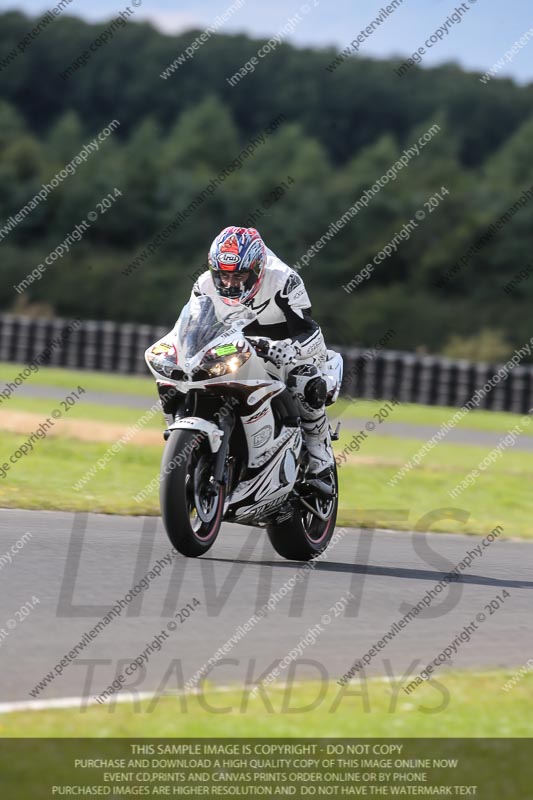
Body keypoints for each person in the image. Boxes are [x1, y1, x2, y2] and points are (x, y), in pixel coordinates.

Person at [188, 226, 335, 478]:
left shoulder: (283, 280)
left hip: (283, 350)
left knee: (304, 379)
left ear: (256, 269)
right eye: (223, 275)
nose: (230, 283)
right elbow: (192, 332)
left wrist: (289, 348)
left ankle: (317, 443)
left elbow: (310, 331)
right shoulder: (203, 285)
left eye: (239, 275)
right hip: (234, 348)